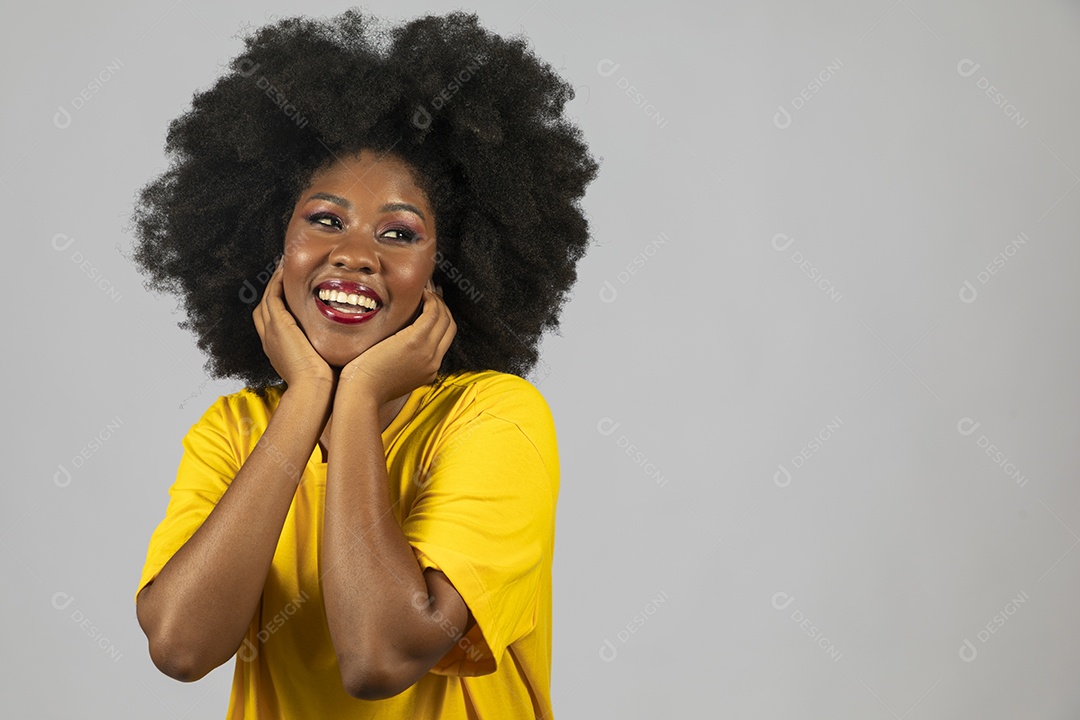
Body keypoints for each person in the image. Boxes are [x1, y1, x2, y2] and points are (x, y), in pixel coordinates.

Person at [132, 10, 597, 718]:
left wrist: (354, 397)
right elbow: (180, 647)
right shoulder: (233, 431)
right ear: (271, 243)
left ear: (449, 268)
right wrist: (307, 396)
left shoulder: (496, 419)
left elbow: (380, 656)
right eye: (325, 220)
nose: (354, 254)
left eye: (399, 233)